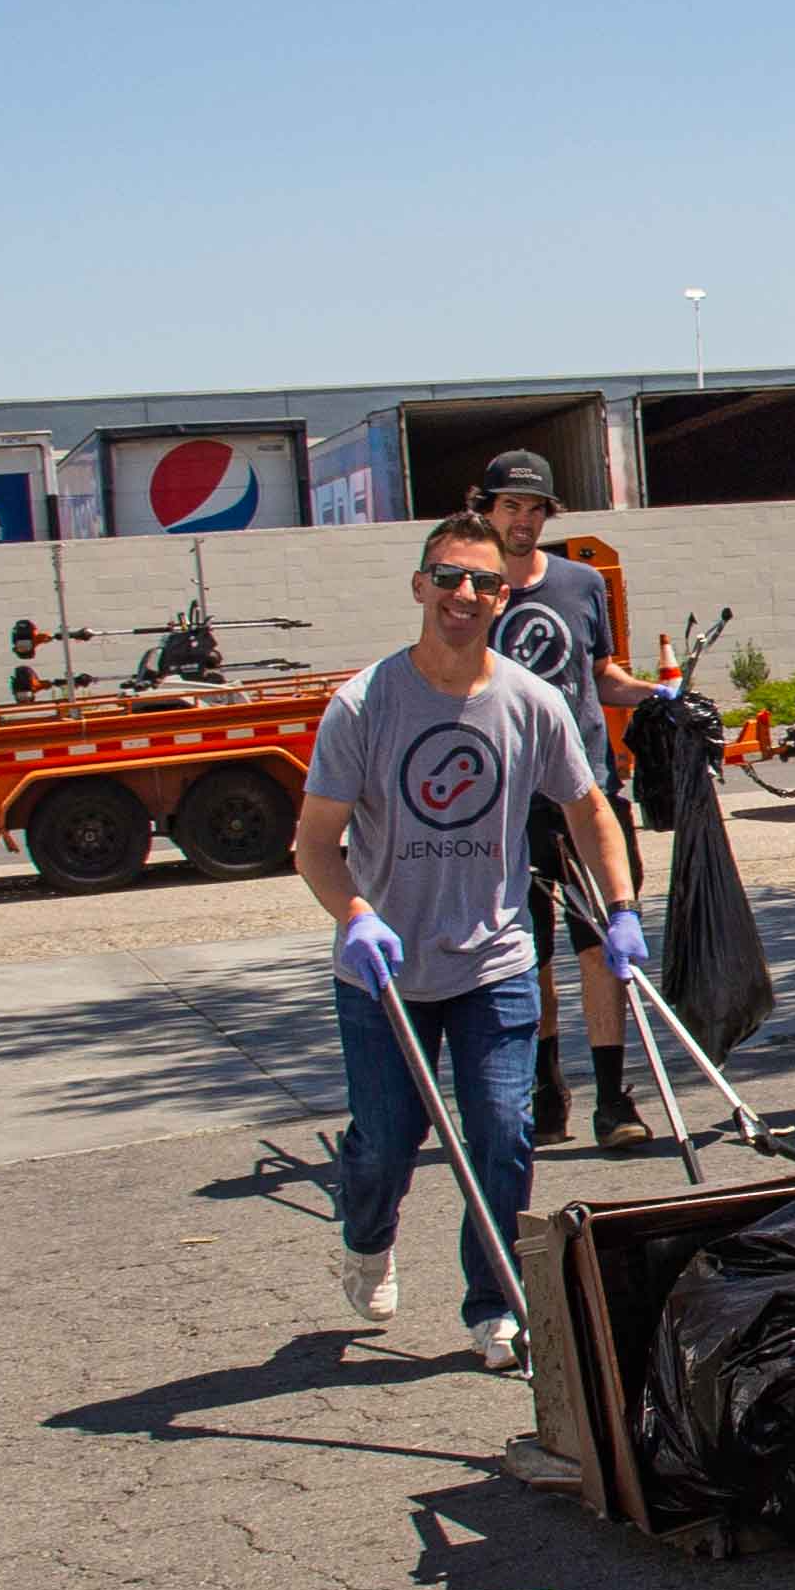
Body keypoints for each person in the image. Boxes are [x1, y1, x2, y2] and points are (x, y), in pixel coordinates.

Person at [296, 513, 642, 1373]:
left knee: (503, 1129)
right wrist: (354, 914)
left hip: (493, 961)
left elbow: (588, 806)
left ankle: (492, 1302)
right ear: (419, 585)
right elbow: (312, 844)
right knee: (384, 1143)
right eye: (448, 577)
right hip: (383, 971)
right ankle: (366, 1236)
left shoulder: (530, 703)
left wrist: (624, 905)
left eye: (483, 583)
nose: (464, 595)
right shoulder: (364, 704)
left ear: (504, 594)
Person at [473, 450, 676, 1150]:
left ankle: (613, 1098)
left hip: (586, 791)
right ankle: (543, 1088)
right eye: (509, 507)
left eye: (533, 509)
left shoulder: (582, 582)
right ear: (486, 510)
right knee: (526, 956)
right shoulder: (472, 591)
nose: (522, 520)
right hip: (502, 803)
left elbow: (602, 677)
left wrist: (657, 695)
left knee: (600, 949)